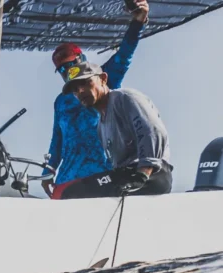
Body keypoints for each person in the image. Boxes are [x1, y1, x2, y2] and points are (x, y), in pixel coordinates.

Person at [41, 0, 150, 200]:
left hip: (101, 176)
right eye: (62, 70)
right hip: (68, 178)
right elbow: (57, 139)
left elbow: (124, 55)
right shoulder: (61, 101)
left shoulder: (100, 80)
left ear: (82, 60)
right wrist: (48, 170)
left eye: (72, 65)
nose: (68, 73)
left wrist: (137, 23)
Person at [59, 62, 172, 198]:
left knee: (72, 193)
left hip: (151, 174)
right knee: (71, 190)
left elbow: (152, 131)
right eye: (75, 90)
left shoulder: (125, 98)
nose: (80, 91)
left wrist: (142, 174)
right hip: (126, 174)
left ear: (103, 79)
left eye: (85, 83)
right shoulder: (101, 126)